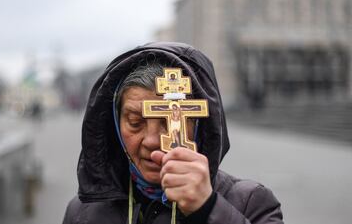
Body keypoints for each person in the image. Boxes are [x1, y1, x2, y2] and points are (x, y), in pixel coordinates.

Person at [63, 42, 283, 224]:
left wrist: (208, 209)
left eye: (168, 122)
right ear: (115, 125)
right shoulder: (82, 213)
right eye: (135, 122)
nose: (151, 141)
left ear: (198, 125)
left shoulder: (250, 203)